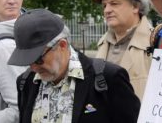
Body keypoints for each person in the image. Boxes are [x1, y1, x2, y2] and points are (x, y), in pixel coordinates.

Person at [8, 9, 140, 123]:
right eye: (27, 61)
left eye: (38, 59)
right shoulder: (25, 82)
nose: (34, 68)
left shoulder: (109, 78)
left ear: (62, 45)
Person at [92, 0, 153, 100]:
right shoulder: (103, 43)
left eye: (114, 3)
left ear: (136, 7)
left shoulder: (156, 42)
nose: (107, 10)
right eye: (104, 5)